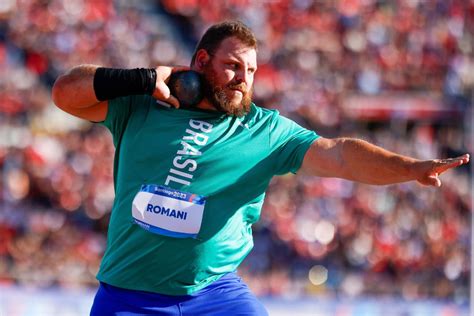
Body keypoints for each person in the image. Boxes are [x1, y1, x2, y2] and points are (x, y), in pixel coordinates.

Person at [52, 20, 469, 316]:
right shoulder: (142, 106)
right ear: (200, 62)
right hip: (129, 297)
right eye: (233, 65)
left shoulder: (265, 130)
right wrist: (144, 78)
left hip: (213, 295)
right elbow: (65, 93)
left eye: (250, 71)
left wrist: (410, 167)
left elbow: (339, 153)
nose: (243, 79)